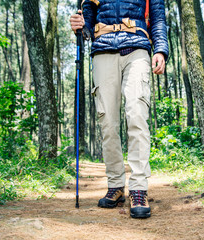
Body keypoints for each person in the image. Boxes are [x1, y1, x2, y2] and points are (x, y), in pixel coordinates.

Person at [70, 0, 169, 219]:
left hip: (137, 49)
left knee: (137, 116)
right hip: (103, 50)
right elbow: (87, 26)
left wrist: (160, 49)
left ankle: (138, 189)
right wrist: (79, 26)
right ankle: (115, 185)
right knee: (108, 122)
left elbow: (158, 17)